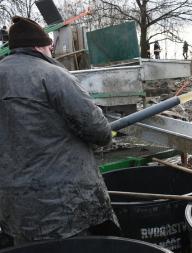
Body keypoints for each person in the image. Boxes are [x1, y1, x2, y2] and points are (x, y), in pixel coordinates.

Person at [0, 16, 120, 246]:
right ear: (38, 46)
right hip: (63, 206)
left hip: (12, 206)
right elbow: (100, 132)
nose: (51, 52)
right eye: (49, 47)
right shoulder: (53, 75)